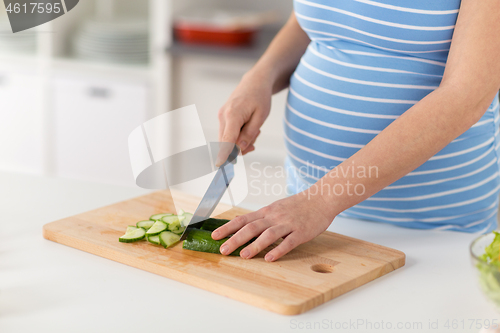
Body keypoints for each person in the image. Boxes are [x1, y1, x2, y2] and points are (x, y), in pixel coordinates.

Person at [212, 0, 500, 262]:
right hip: (308, 208)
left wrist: (323, 200)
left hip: (431, 229)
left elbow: (465, 97)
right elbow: (317, 20)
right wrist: (260, 78)